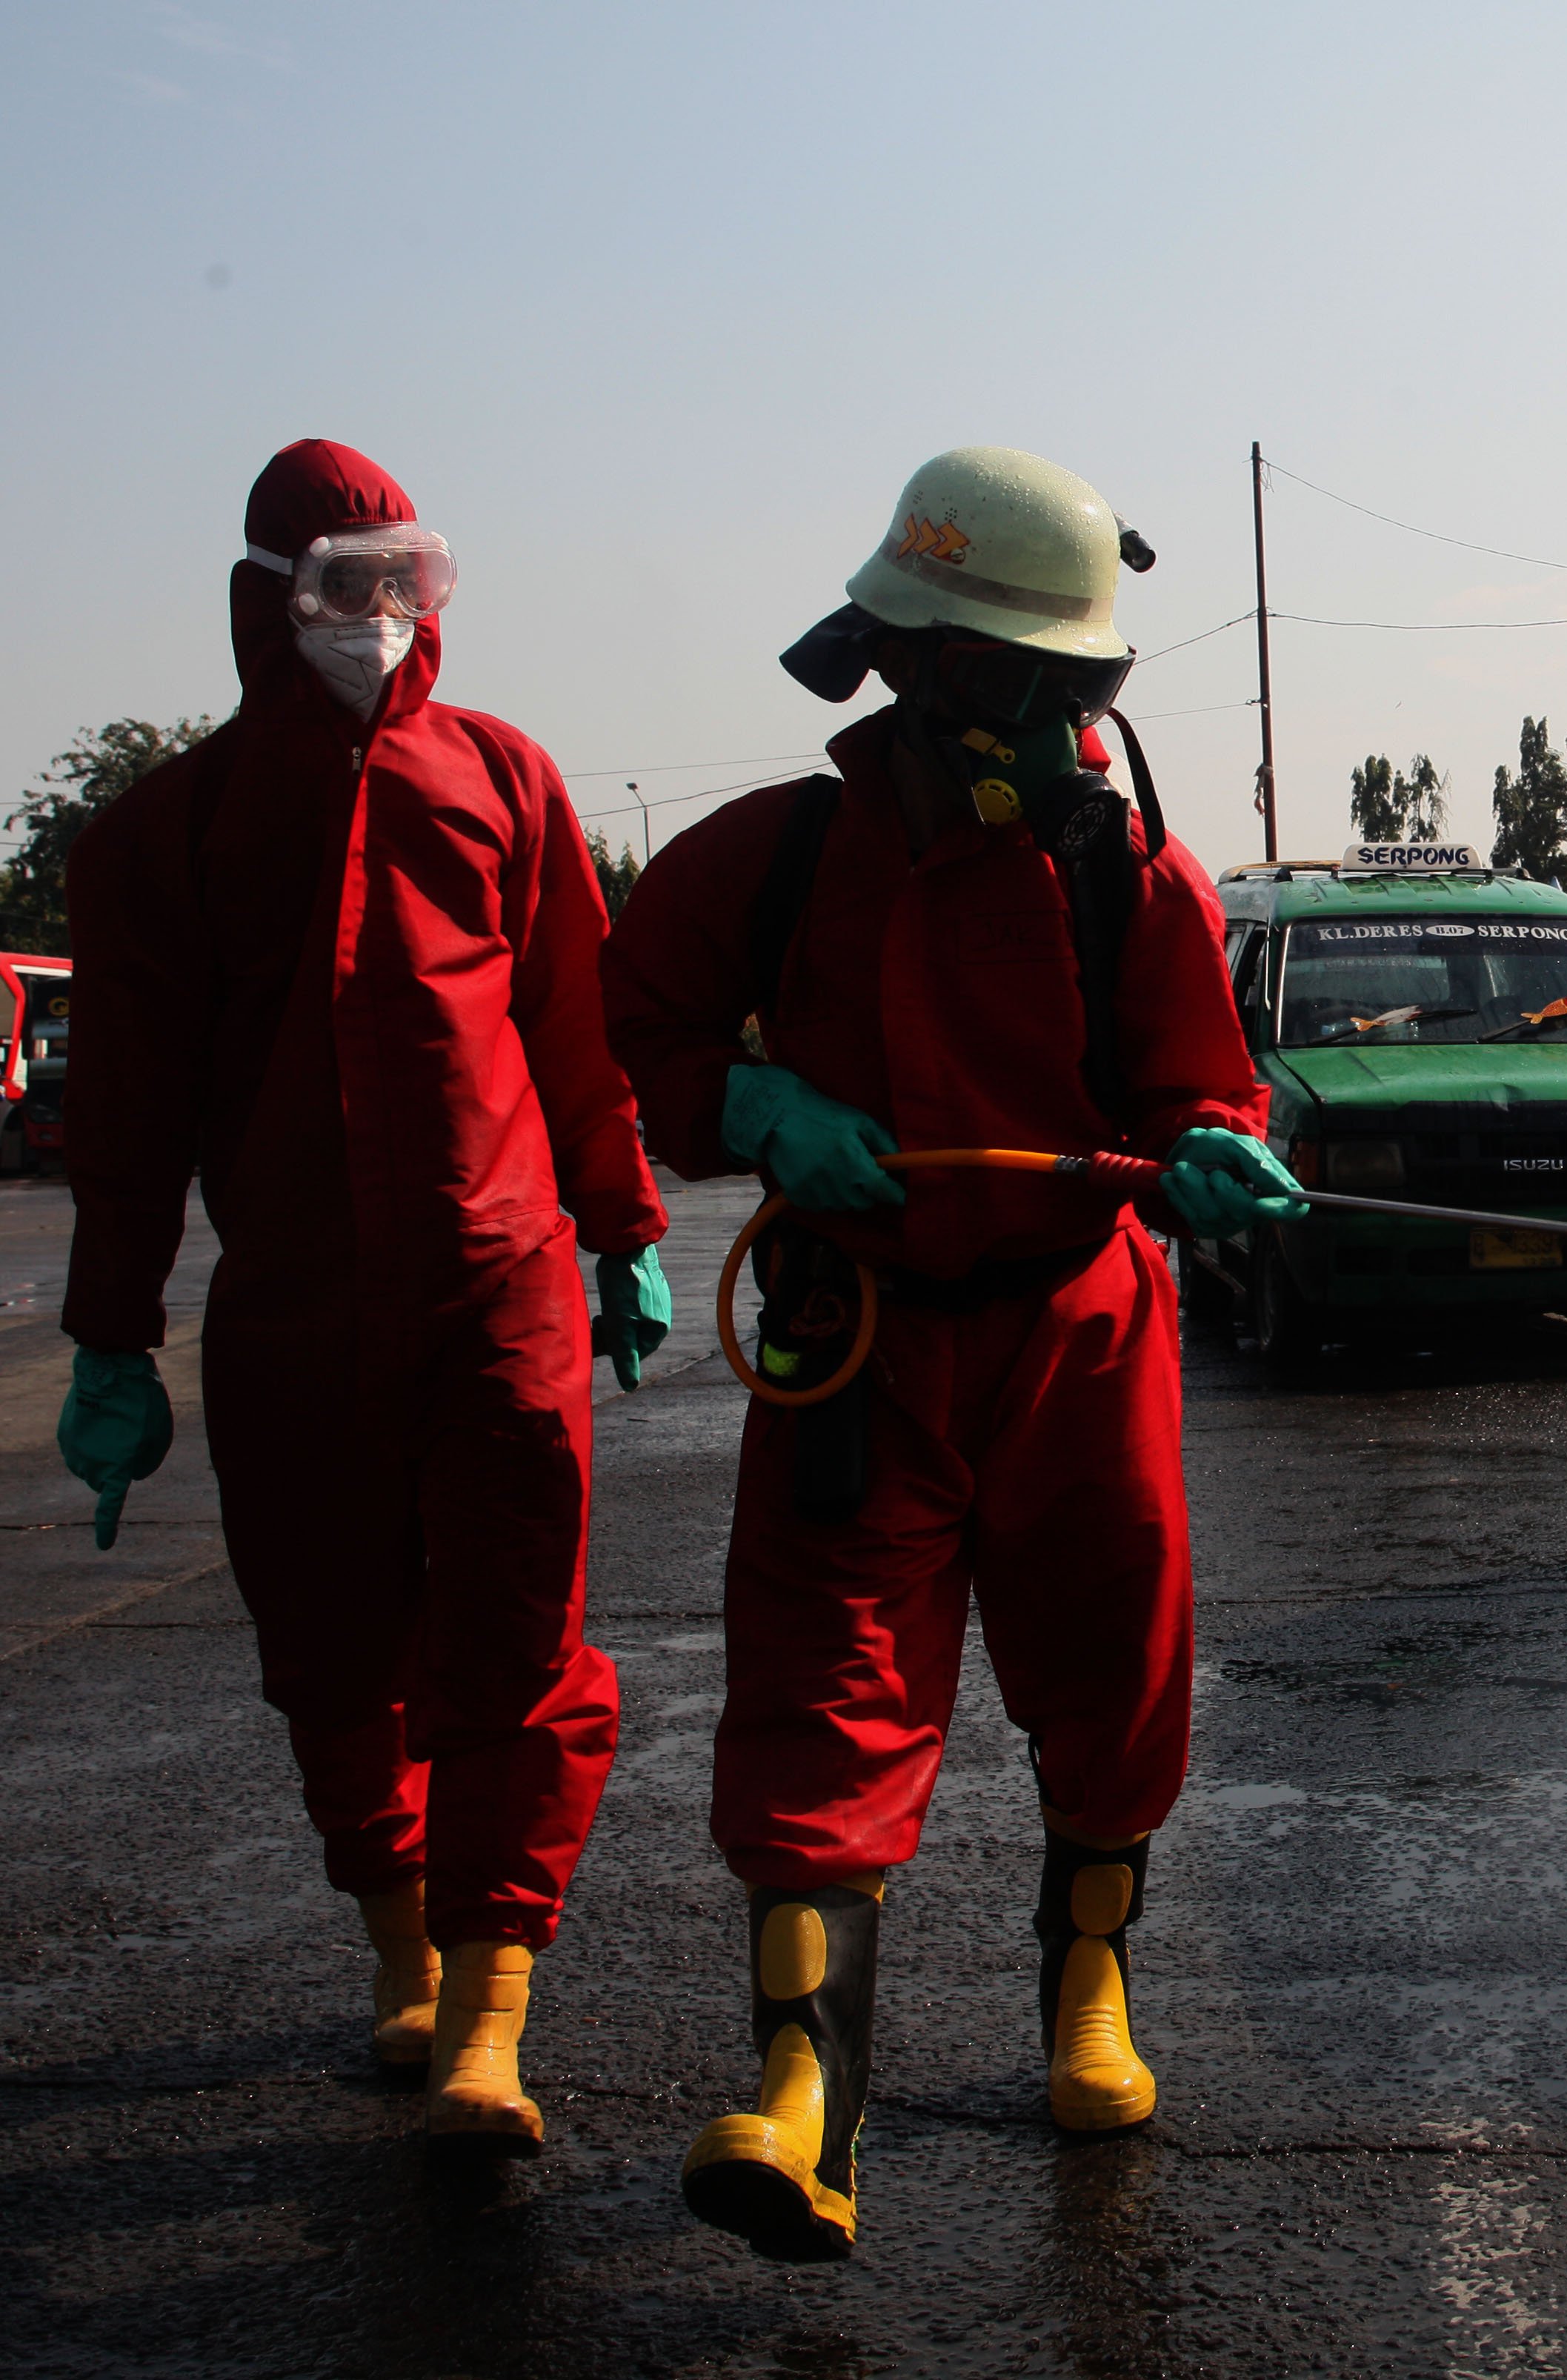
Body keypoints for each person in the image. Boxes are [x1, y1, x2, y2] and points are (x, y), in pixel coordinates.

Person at [602, 447, 1291, 2262]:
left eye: (1052, 691)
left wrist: (1214, 1143)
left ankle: (1087, 1988)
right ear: (903, 658)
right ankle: (806, 2104)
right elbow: (626, 1012)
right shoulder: (779, 855)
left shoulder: (1132, 874)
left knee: (1111, 1671)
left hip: (1077, 1335)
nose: (1016, 722)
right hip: (860, 1346)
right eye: (979, 678)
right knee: (822, 1701)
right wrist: (752, 1100)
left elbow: (1197, 1079)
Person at [57, 438, 671, 2158]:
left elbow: (576, 1037)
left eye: (407, 583)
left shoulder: (507, 781)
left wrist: (618, 1225)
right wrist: (114, 1332)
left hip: (501, 1293)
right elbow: (127, 1121)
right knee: (331, 1653)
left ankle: (489, 2005)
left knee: (516, 1652)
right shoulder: (160, 836)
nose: (379, 621)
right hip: (295, 1313)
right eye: (345, 587)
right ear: (269, 601)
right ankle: (401, 1951)